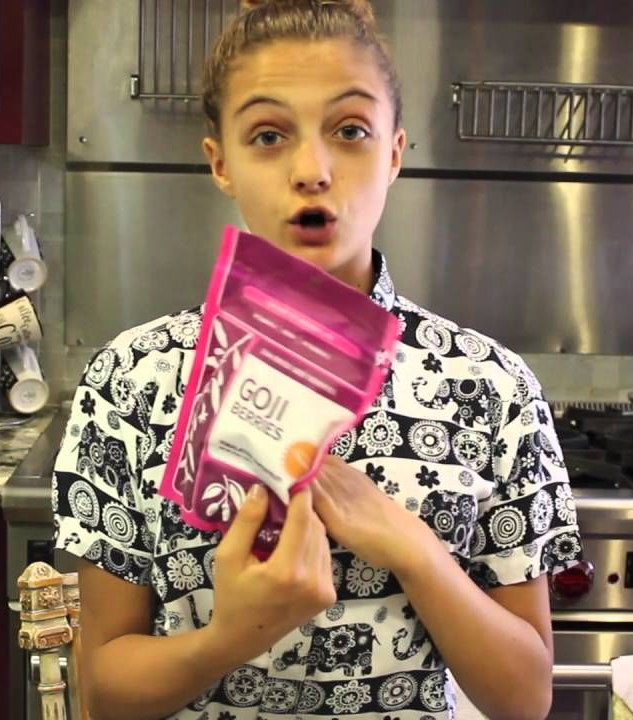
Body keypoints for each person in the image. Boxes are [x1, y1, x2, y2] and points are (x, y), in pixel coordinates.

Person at [52, 1, 582, 718]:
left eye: (351, 130)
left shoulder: (491, 387)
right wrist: (231, 636)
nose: (312, 170)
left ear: (394, 153)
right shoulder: (132, 380)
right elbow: (105, 694)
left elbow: (525, 699)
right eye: (268, 135)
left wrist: (415, 551)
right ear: (221, 162)